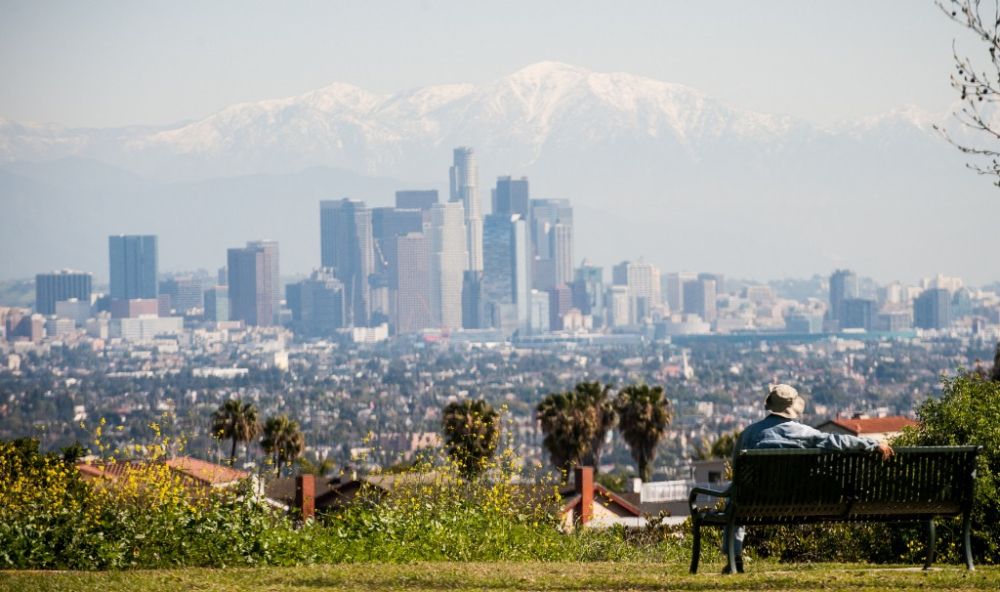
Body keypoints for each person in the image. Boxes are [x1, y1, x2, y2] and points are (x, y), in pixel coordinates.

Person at [722, 384, 894, 573]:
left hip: (754, 501)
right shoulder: (804, 433)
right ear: (792, 407)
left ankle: (734, 557)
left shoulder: (749, 434)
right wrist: (872, 444)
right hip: (795, 499)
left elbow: (738, 472)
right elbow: (838, 441)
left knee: (736, 495)